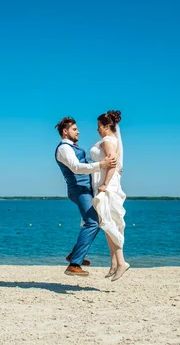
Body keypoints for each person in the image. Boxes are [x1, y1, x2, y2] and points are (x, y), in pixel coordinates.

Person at [55, 117, 117, 276]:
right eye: (75, 129)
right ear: (65, 131)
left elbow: (85, 165)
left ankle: (74, 255)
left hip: (85, 188)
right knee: (93, 222)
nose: (78, 131)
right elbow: (76, 168)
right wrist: (102, 164)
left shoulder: (72, 147)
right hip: (79, 189)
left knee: (97, 221)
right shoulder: (63, 148)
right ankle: (74, 264)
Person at [90, 110, 130, 282]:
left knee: (108, 223)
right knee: (107, 222)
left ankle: (121, 262)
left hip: (107, 186)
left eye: (99, 126)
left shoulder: (107, 141)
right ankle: (114, 262)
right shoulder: (113, 141)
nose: (97, 129)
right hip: (110, 184)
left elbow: (112, 163)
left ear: (107, 126)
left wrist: (105, 185)